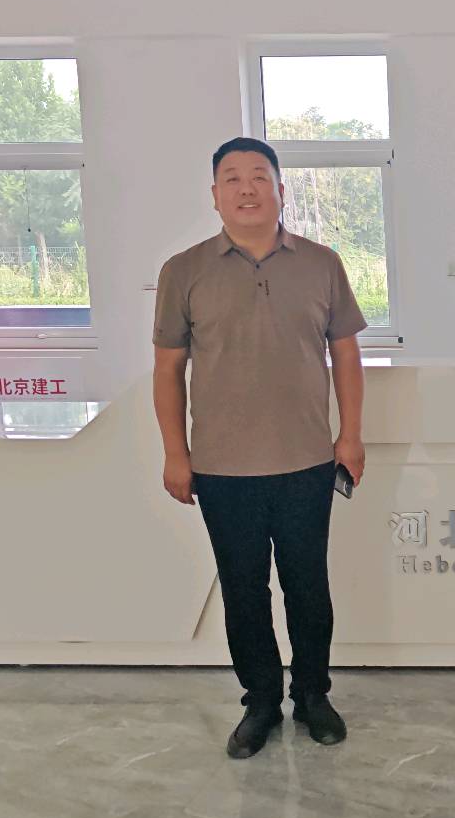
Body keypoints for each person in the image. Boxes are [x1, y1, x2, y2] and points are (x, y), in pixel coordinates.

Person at [153, 137, 367, 758]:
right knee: (244, 592)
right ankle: (261, 703)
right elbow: (168, 370)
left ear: (280, 190)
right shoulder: (183, 271)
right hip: (221, 467)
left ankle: (313, 696)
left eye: (258, 177)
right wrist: (175, 453)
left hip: (306, 461)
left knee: (308, 588)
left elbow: (345, 355)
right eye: (232, 178)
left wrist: (350, 435)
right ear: (215, 194)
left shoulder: (322, 264)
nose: (246, 188)